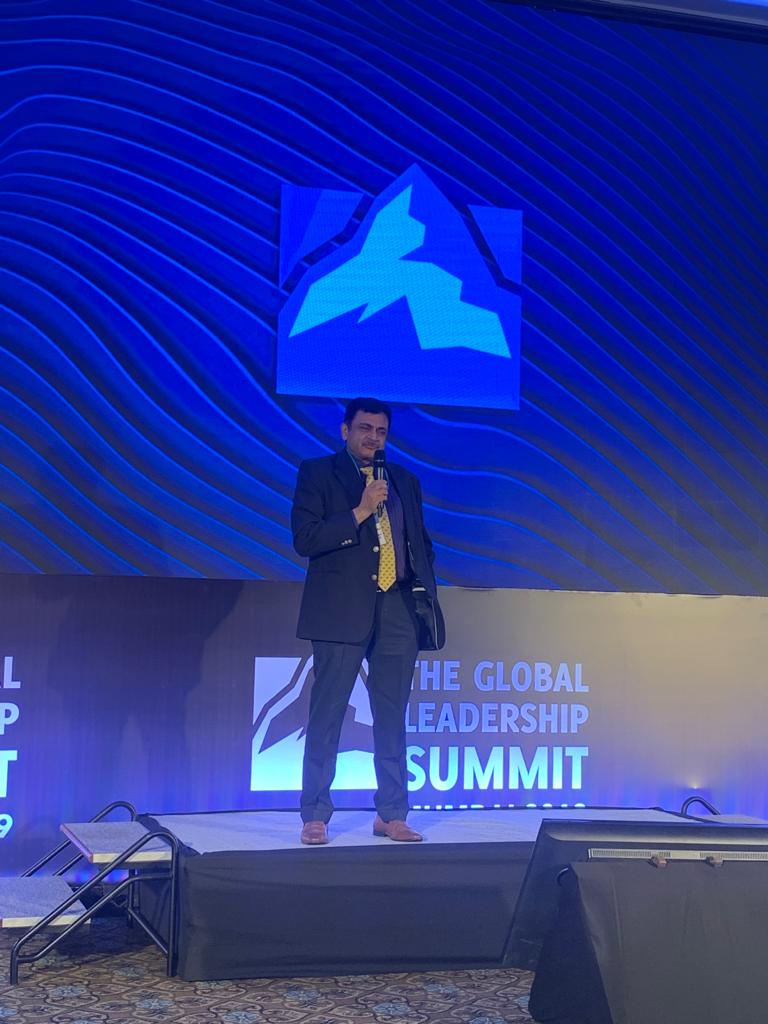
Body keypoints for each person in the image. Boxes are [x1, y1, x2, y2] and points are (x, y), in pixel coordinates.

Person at [291, 397, 439, 844]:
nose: (373, 438)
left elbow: (420, 542)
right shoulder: (318, 473)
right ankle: (315, 814)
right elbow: (305, 539)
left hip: (397, 610)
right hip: (340, 611)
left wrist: (420, 588)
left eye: (381, 431)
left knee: (392, 716)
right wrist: (359, 510)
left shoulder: (404, 480)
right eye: (365, 429)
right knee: (328, 713)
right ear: (345, 430)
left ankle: (392, 814)